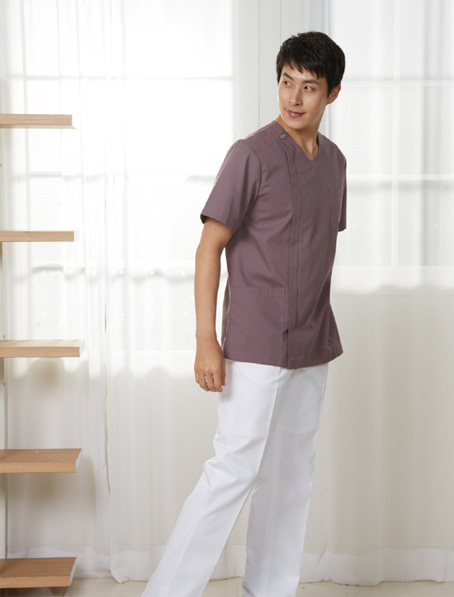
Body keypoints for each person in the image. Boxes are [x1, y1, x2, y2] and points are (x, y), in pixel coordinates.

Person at [142, 31, 346, 597]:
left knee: (291, 477)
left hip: (312, 342)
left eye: (309, 87)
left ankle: (270, 589)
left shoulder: (335, 163)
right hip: (255, 342)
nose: (294, 97)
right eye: (286, 82)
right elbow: (210, 247)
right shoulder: (250, 155)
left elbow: (315, 248)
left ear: (332, 93)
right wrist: (206, 340)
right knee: (232, 471)